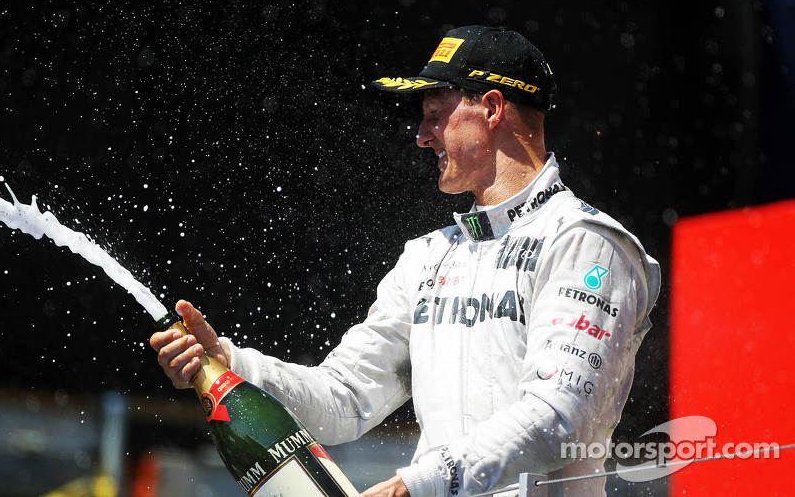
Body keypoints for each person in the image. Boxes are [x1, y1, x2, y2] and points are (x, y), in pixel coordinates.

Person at [151, 25, 661, 497]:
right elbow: (344, 398)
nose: (421, 136)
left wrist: (417, 484)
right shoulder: (427, 257)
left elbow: (558, 418)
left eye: (435, 114)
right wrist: (228, 363)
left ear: (491, 108)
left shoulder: (585, 242)